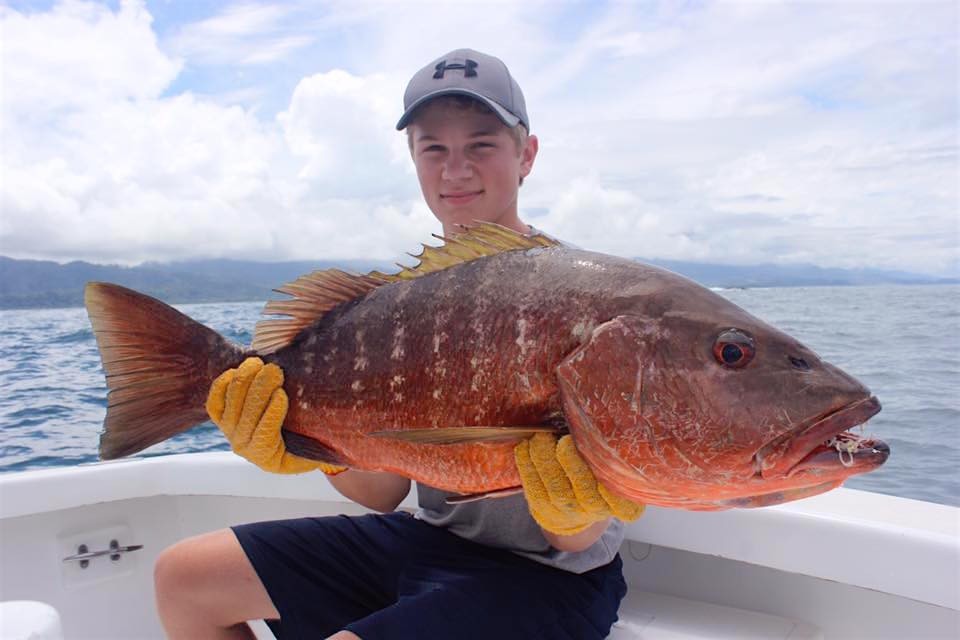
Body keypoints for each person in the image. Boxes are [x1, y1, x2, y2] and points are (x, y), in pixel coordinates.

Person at [154, 48, 643, 640]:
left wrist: (578, 510)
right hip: (430, 543)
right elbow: (383, 493)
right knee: (182, 578)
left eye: (481, 144)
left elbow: (577, 539)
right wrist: (310, 443)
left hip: (554, 578)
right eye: (433, 148)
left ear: (527, 155)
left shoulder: (587, 304)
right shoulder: (404, 301)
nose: (455, 169)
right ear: (413, 160)